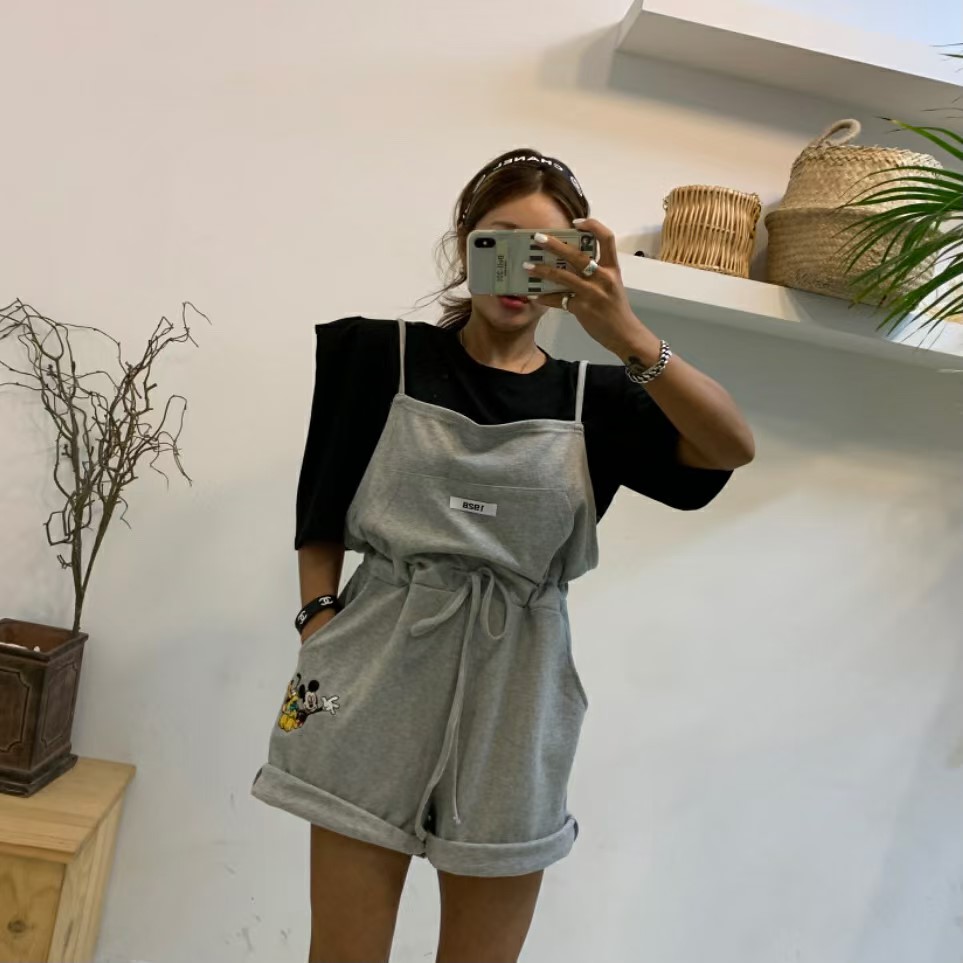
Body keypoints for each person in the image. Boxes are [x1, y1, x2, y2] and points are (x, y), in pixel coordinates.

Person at [252, 148, 755, 963]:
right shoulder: (379, 356)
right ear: (464, 245)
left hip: (521, 689)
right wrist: (318, 621)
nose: (520, 268)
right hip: (369, 669)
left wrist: (624, 332)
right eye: (500, 240)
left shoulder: (597, 398)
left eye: (546, 249)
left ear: (577, 261)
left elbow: (730, 446)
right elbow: (322, 507)